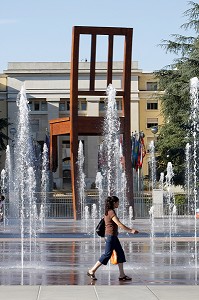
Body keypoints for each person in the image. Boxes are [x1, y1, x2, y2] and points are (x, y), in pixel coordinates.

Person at [87, 195, 139, 281]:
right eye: (118, 202)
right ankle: (91, 270)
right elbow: (119, 223)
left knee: (120, 254)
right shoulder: (111, 212)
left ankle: (122, 275)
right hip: (110, 237)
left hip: (113, 236)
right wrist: (130, 230)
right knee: (107, 255)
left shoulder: (109, 211)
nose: (119, 204)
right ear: (114, 203)